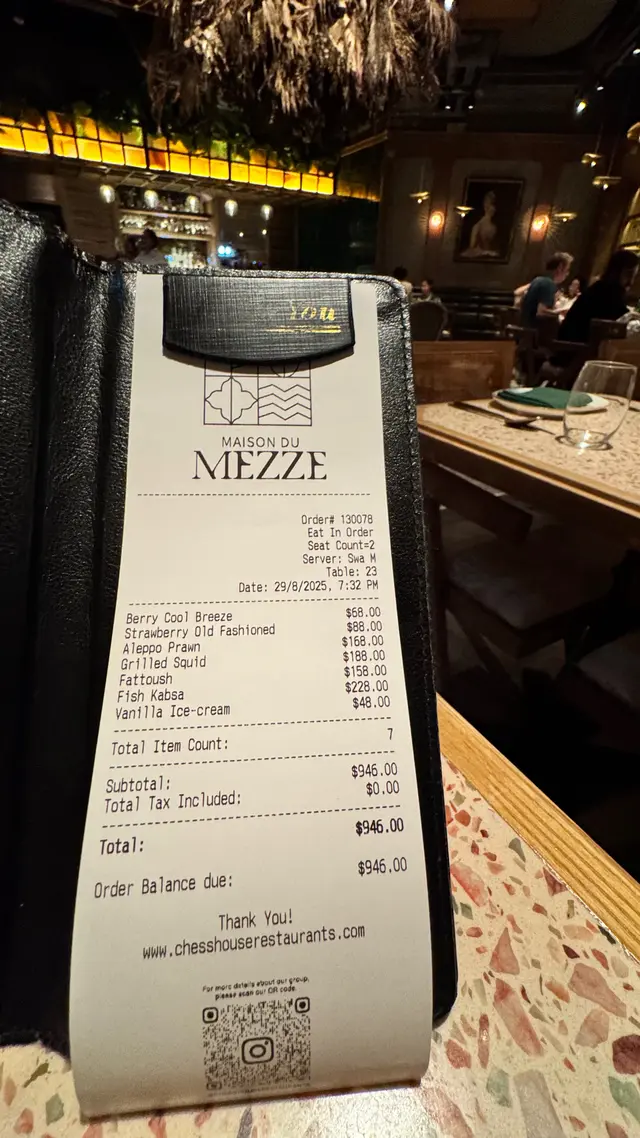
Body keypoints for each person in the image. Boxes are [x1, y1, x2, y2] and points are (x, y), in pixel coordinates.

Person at [559, 251, 639, 344]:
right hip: (576, 348)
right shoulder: (608, 292)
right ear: (618, 272)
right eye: (629, 275)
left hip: (568, 344)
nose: (631, 282)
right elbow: (621, 319)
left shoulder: (599, 287)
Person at [520, 252, 573, 327]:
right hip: (534, 330)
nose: (567, 274)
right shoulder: (549, 284)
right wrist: (561, 313)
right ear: (560, 268)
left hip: (525, 326)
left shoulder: (538, 280)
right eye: (567, 270)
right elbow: (541, 313)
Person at [461, 191, 499, 259]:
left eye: (495, 206)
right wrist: (486, 253)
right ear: (486, 206)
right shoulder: (478, 226)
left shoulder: (495, 226)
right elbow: (471, 249)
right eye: (492, 205)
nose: (494, 209)